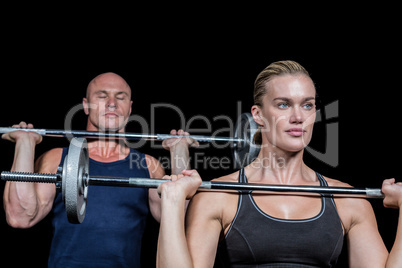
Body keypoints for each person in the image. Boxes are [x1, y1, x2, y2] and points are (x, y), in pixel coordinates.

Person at [155, 60, 402, 268]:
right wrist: (172, 204)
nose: (298, 117)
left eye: (307, 105)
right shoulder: (219, 196)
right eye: (283, 104)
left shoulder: (348, 200)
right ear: (258, 114)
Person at [2, 72, 197, 267]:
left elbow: (179, 220)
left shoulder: (148, 165)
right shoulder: (57, 158)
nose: (112, 103)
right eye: (102, 96)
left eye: (120, 97)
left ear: (129, 108)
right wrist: (25, 144)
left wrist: (179, 151)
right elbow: (20, 216)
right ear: (86, 106)